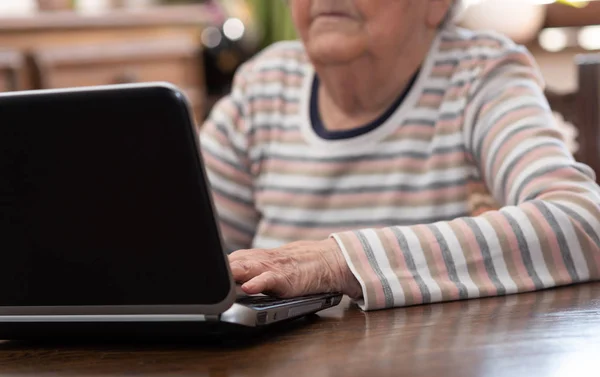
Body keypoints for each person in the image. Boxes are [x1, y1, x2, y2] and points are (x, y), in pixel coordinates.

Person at [200, 0, 600, 310]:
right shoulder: (264, 84)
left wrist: (338, 261)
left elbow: (582, 224)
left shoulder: (480, 74)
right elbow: (187, 250)